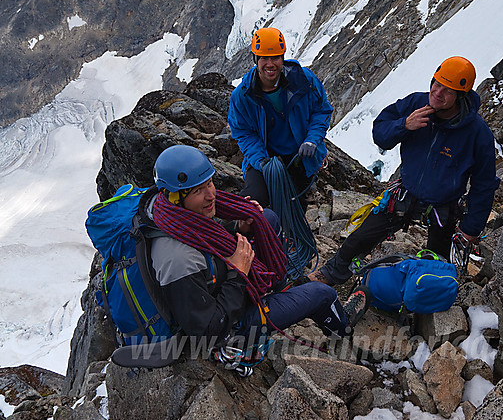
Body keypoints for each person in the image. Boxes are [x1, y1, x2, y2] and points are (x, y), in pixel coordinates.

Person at [139, 145, 367, 370]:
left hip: (218, 284)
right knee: (323, 294)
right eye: (198, 191)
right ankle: (344, 330)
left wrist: (238, 226)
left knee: (265, 218)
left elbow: (204, 241)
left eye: (209, 183)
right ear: (176, 197)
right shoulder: (178, 261)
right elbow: (208, 331)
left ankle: (278, 287)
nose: (211, 195)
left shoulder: (170, 215)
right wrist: (238, 274)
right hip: (231, 325)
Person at [310, 56, 499, 286]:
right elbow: (380, 133)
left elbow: (484, 183)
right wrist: (404, 126)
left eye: (447, 90)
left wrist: (471, 228)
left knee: (436, 265)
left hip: (443, 205)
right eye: (436, 83)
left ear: (460, 96)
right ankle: (331, 273)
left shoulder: (477, 133)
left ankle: (424, 307)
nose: (437, 92)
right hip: (406, 193)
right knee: (361, 236)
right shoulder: (415, 105)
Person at [227, 27, 333, 210]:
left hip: (299, 158)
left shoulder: (304, 80)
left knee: (295, 206)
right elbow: (243, 133)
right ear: (256, 59)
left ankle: (290, 237)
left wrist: (312, 140)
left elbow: (321, 110)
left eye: (275, 57)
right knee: (253, 200)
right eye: (264, 58)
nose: (270, 64)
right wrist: (261, 161)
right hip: (265, 160)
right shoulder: (243, 95)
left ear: (282, 58)